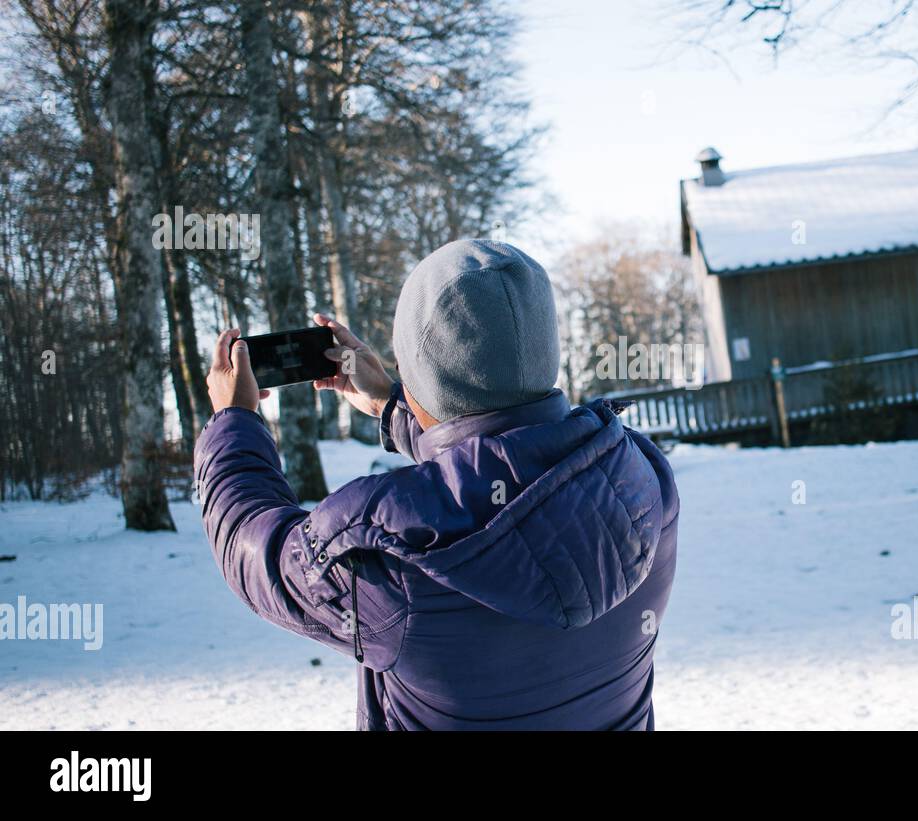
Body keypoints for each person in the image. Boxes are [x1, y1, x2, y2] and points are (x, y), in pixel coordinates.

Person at [195, 239, 678, 730]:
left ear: (421, 377)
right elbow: (517, 474)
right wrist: (392, 403)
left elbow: (253, 549)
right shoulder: (642, 480)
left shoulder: (386, 551)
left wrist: (234, 418)